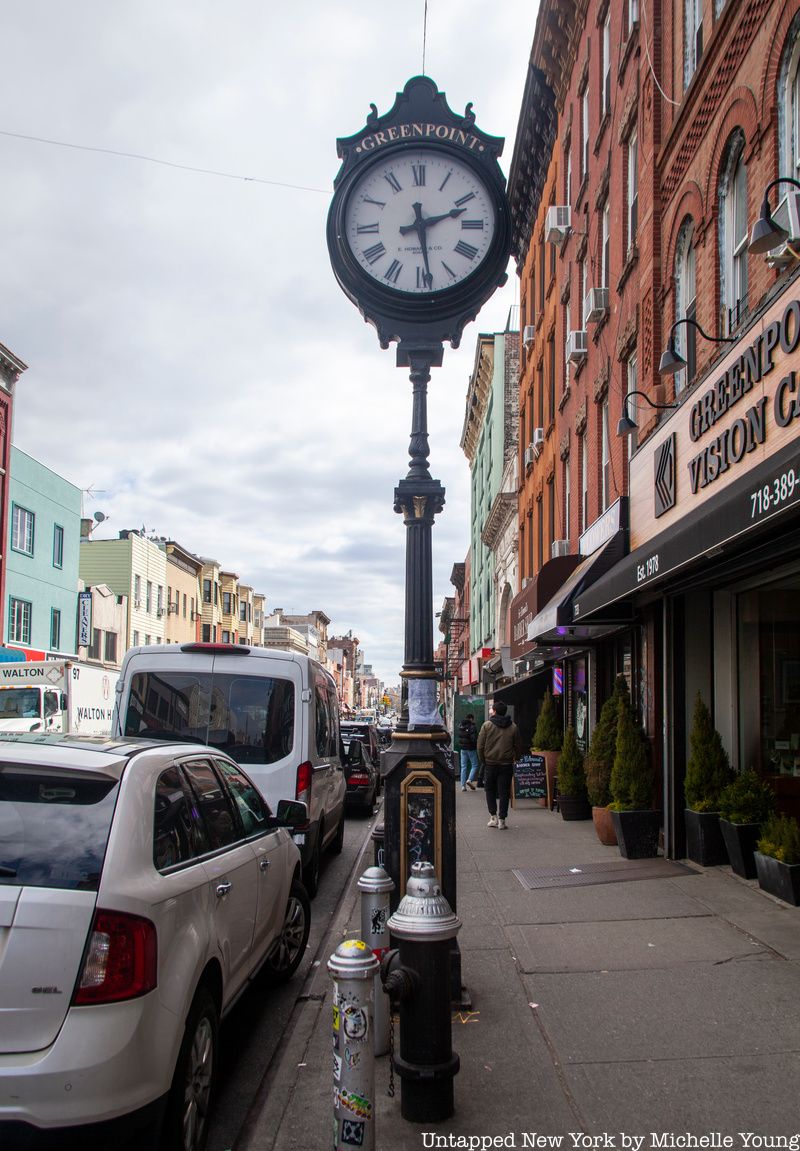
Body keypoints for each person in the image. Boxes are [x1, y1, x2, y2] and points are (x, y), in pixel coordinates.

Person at [477, 700, 522, 830]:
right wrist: (516, 758)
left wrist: (483, 760)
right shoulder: (513, 727)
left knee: (489, 790)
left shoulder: (487, 726)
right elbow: (518, 746)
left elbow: (480, 745)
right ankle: (502, 820)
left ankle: (493, 817)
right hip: (506, 764)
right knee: (504, 792)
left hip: (490, 763)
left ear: (495, 711)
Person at [457, 712, 479, 791]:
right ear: (471, 719)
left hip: (463, 749)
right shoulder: (472, 726)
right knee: (475, 765)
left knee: (463, 767)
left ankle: (463, 786)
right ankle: (469, 780)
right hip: (471, 749)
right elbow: (473, 739)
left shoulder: (460, 726)